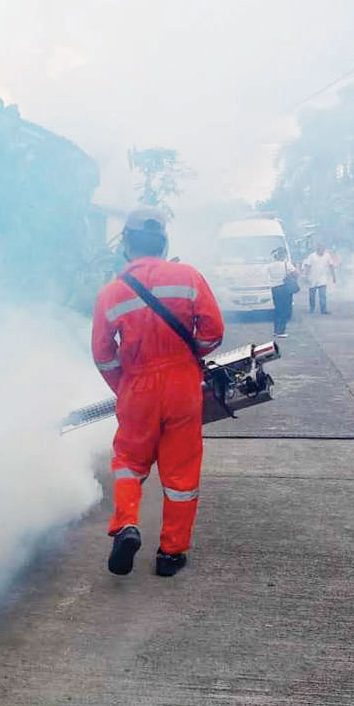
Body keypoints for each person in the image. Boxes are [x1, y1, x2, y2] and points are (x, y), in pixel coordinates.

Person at [91, 209, 224, 578]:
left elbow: (103, 354)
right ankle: (170, 554)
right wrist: (187, 358)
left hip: (136, 388)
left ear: (126, 246)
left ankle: (126, 525)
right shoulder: (188, 277)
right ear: (163, 242)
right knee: (181, 473)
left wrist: (126, 389)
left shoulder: (111, 292)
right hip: (182, 386)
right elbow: (213, 332)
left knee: (129, 463)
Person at [269, 246, 298, 338]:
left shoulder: (270, 265)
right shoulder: (286, 264)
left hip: (274, 289)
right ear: (283, 255)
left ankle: (276, 330)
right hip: (284, 289)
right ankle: (281, 331)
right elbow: (296, 273)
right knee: (285, 310)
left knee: (277, 309)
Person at [302, 243, 337, 314]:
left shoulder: (327, 256)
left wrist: (334, 277)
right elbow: (308, 266)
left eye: (323, 249)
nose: (322, 251)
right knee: (312, 296)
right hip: (312, 278)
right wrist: (305, 276)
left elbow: (331, 266)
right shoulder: (312, 256)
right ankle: (312, 309)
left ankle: (323, 310)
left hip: (322, 278)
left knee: (322, 295)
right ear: (317, 249)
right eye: (321, 249)